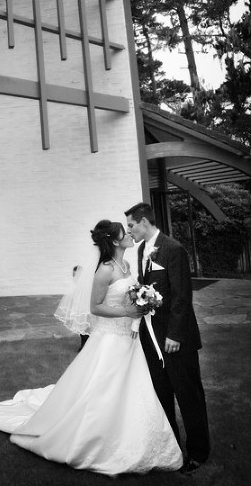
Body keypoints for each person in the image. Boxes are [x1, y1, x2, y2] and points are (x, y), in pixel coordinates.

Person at [0, 221, 183, 477]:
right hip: (111, 339)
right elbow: (95, 307)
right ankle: (97, 437)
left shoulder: (126, 265)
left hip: (130, 338)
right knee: (105, 388)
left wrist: (142, 303)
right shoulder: (105, 270)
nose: (129, 235)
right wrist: (127, 311)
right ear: (116, 241)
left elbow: (131, 293)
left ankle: (140, 433)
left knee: (135, 386)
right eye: (124, 233)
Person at [125, 202, 210, 475]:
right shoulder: (140, 250)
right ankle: (171, 448)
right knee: (161, 394)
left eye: (131, 225)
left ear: (144, 222)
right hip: (151, 338)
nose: (130, 231)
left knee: (188, 394)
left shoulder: (174, 249)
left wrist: (174, 335)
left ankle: (198, 451)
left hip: (176, 339)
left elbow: (182, 296)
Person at [54, 219, 112, 351]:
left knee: (87, 312)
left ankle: (86, 345)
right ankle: (89, 346)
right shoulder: (104, 251)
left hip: (90, 285)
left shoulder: (94, 249)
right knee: (93, 313)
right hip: (96, 285)